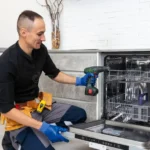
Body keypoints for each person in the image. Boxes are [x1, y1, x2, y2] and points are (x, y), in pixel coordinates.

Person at [0, 10, 97, 150]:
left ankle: (37, 132)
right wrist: (42, 127)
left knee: (79, 115)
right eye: (40, 34)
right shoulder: (6, 63)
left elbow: (54, 73)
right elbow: (6, 109)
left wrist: (80, 81)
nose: (44, 38)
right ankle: (12, 139)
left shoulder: (40, 50)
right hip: (19, 113)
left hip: (39, 106)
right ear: (23, 32)